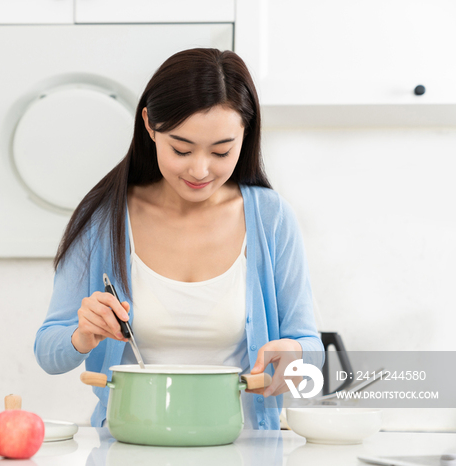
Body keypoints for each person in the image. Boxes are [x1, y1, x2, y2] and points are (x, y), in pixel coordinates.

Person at [34, 48, 324, 430]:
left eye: (222, 151)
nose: (200, 170)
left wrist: (295, 356)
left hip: (244, 447)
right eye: (181, 149)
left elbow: (311, 351)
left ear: (245, 136)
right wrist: (81, 335)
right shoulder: (103, 217)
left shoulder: (271, 217)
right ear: (150, 125)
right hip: (128, 446)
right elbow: (47, 351)